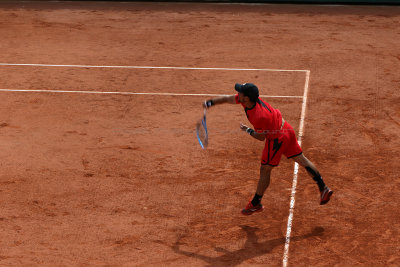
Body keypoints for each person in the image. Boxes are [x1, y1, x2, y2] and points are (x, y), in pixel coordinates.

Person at [203, 83, 333, 216]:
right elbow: (227, 98)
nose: (237, 93)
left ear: (246, 98)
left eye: (240, 92)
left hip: (277, 139)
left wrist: (247, 129)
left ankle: (255, 203)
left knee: (265, 169)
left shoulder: (259, 116)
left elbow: (260, 137)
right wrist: (211, 103)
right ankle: (323, 187)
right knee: (301, 159)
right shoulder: (248, 101)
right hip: (286, 129)